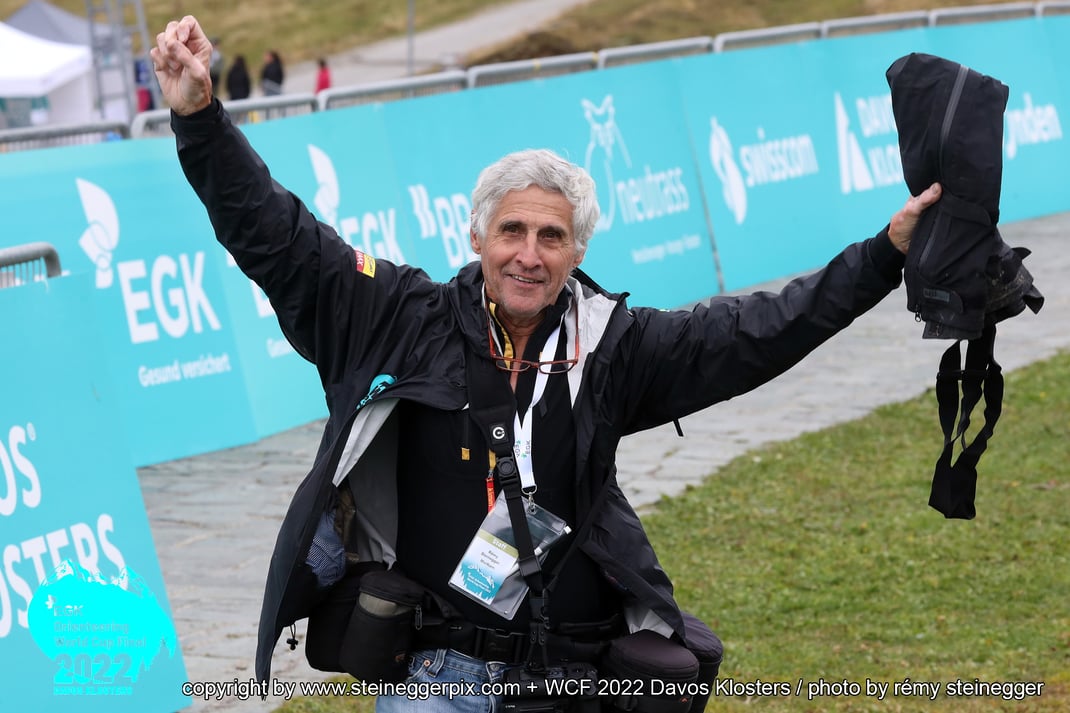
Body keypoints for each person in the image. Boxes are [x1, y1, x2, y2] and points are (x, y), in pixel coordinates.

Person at [152, 16, 942, 712]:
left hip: (575, 675)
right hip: (435, 676)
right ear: (476, 236)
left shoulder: (613, 344)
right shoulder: (396, 317)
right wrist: (200, 120)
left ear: (578, 252)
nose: (528, 255)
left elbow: (759, 329)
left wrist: (885, 255)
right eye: (512, 230)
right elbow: (279, 239)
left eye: (551, 237)